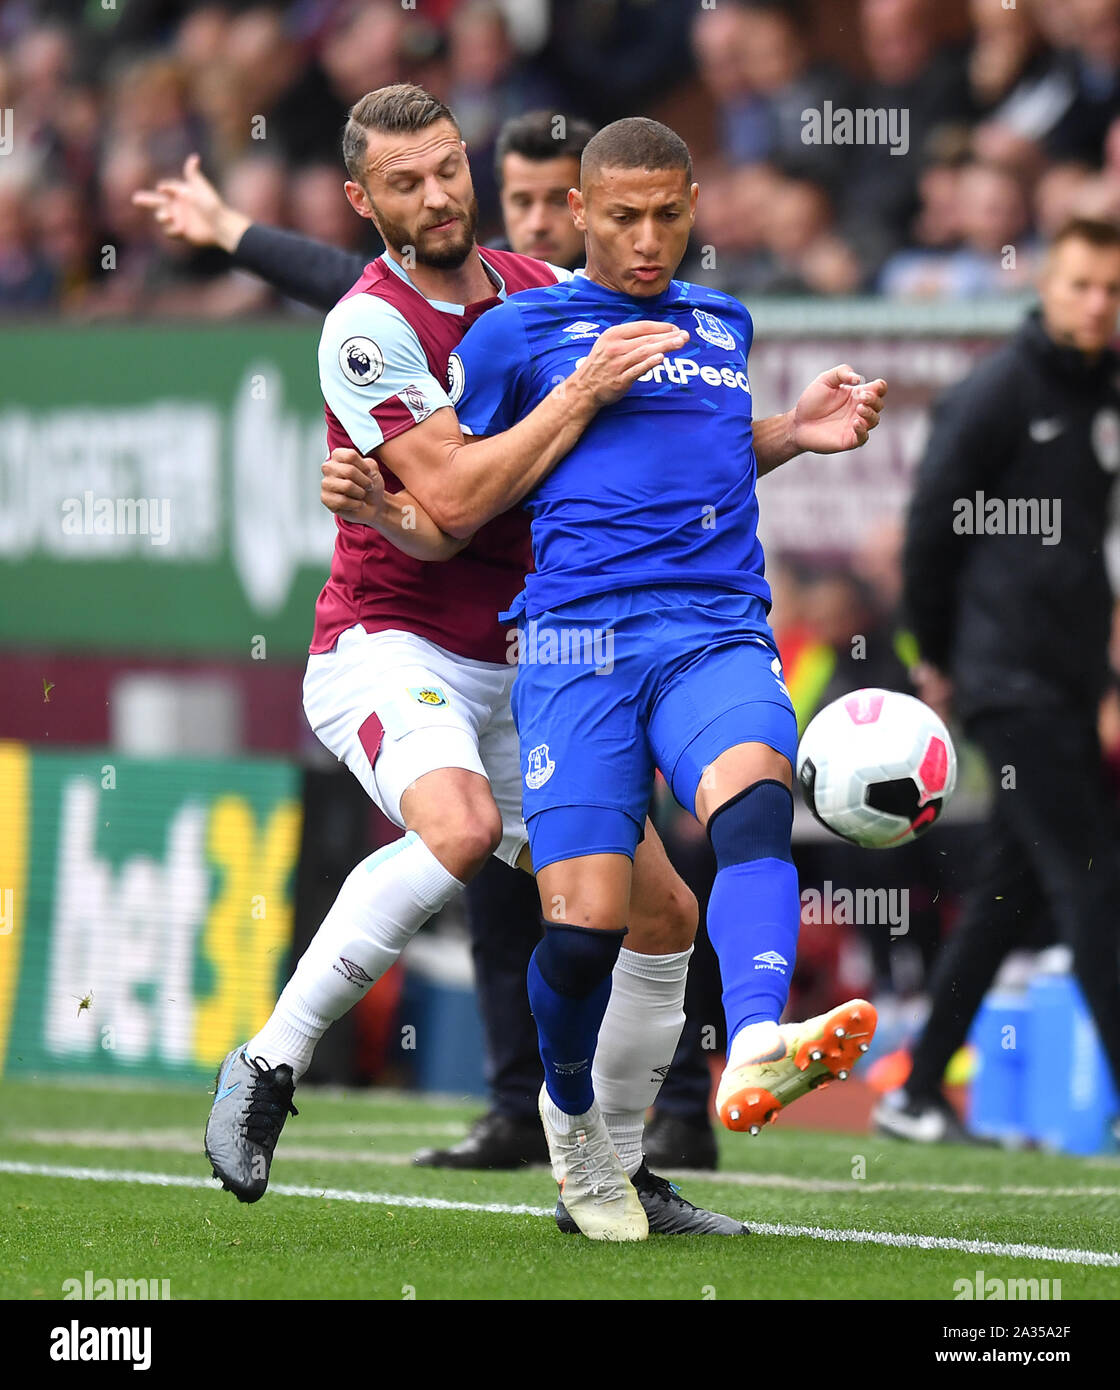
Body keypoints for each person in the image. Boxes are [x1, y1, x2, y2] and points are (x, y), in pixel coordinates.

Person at [196, 83, 749, 1239]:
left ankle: (617, 1169)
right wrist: (583, 396)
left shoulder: (544, 295)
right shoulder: (366, 325)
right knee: (449, 833)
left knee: (661, 916)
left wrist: (784, 430)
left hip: (533, 662)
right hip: (389, 644)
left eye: (447, 167)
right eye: (405, 182)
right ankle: (269, 1064)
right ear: (362, 198)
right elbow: (450, 500)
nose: (438, 194)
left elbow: (660, 474)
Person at [331, 115, 887, 1238]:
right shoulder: (514, 333)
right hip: (574, 645)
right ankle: (573, 1125)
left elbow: (696, 453)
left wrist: (794, 430)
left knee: (754, 797)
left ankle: (763, 1036)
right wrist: (407, 514)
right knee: (583, 931)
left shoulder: (720, 319)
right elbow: (466, 500)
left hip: (711, 623)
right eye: (623, 217)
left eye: (669, 216)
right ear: (576, 212)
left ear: (693, 210)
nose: (648, 240)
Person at [876, 215, 1120, 1143]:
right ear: (1047, 286)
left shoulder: (1104, 391)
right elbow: (930, 529)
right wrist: (930, 654)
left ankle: (914, 1088)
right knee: (1095, 881)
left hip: (1064, 677)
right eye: (1082, 285)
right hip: (1003, 678)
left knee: (1015, 892)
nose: (1097, 304)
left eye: (1111, 289)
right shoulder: (995, 392)